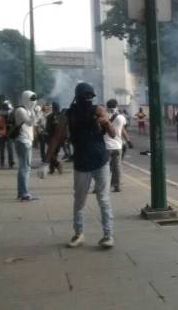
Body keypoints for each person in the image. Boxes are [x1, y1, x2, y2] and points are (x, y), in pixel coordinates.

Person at [48, 82, 116, 248]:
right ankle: (79, 234)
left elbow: (113, 134)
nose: (87, 100)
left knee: (103, 200)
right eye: (85, 97)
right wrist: (47, 160)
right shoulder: (67, 114)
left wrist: (106, 122)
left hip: (100, 161)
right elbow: (57, 137)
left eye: (89, 97)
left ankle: (108, 236)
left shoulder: (98, 110)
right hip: (82, 163)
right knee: (79, 201)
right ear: (77, 97)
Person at [13, 90, 40, 201]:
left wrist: (38, 112)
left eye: (34, 99)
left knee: (25, 168)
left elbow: (35, 122)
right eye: (31, 99)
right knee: (25, 168)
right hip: (22, 141)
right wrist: (36, 112)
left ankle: (22, 192)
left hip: (27, 141)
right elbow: (29, 122)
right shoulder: (20, 110)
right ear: (25, 99)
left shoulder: (29, 110)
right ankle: (24, 193)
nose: (33, 102)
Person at [105, 99, 130, 192]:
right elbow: (123, 130)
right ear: (116, 106)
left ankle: (100, 186)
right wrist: (128, 140)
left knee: (104, 167)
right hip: (118, 146)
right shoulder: (121, 117)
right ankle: (117, 186)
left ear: (107, 106)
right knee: (117, 167)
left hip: (106, 146)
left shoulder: (104, 116)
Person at [0, 101, 14, 168]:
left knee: (7, 148)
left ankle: (7, 162)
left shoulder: (11, 113)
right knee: (5, 148)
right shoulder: (0, 114)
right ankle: (5, 162)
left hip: (7, 133)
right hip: (4, 133)